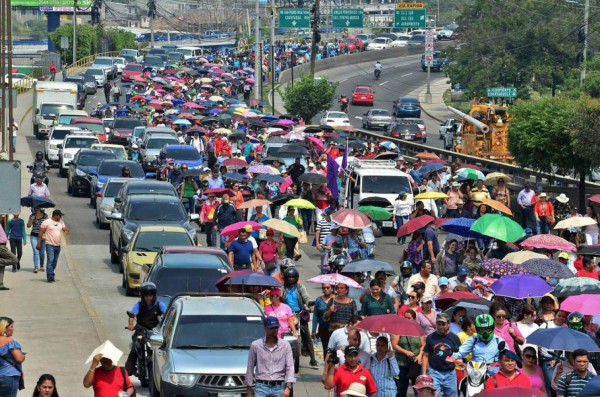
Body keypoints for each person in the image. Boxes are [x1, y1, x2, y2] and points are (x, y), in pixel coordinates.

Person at [246, 316, 295, 397]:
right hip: (261, 387)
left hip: (279, 387)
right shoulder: (256, 345)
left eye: (276, 327)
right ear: (265, 328)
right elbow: (250, 368)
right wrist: (249, 391)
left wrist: (288, 388)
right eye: (272, 328)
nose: (275, 330)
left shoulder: (285, 345)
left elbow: (290, 367)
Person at [124, 282, 166, 377]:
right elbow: (132, 314)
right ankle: (128, 371)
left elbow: (167, 314)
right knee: (135, 346)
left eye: (150, 295)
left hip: (155, 331)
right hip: (140, 330)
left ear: (154, 295)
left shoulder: (160, 304)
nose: (148, 298)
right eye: (146, 296)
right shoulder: (138, 305)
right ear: (143, 296)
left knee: (162, 348)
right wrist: (131, 324)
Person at [281, 267, 318, 369]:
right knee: (280, 334)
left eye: (293, 277)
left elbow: (306, 297)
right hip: (286, 315)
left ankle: (313, 360)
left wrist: (309, 304)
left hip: (299, 314)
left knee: (307, 335)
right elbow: (279, 297)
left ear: (296, 278)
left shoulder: (300, 287)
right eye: (289, 277)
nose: (291, 279)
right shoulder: (282, 288)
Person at [421, 313, 461, 397]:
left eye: (443, 324)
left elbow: (460, 355)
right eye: (439, 324)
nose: (441, 327)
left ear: (448, 323)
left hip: (450, 373)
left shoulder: (455, 338)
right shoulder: (430, 337)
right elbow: (425, 355)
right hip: (434, 372)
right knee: (433, 395)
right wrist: (424, 373)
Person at [392, 310, 425, 397]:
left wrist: (420, 355)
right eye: (405, 318)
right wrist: (405, 352)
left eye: (409, 318)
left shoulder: (418, 329)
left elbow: (423, 345)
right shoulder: (399, 329)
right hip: (401, 363)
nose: (406, 319)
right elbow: (394, 345)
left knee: (417, 389)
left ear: (414, 319)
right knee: (401, 388)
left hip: (415, 362)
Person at [37, 209, 69, 283]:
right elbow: (41, 233)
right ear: (55, 215)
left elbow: (65, 228)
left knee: (55, 261)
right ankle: (50, 275)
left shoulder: (61, 222)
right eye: (60, 216)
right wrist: (39, 243)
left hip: (58, 245)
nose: (61, 217)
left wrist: (66, 230)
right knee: (50, 260)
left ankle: (51, 273)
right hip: (49, 245)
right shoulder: (46, 222)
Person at [0, 317, 26, 397]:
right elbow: (19, 358)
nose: (13, 329)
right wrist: (23, 355)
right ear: (4, 329)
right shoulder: (10, 341)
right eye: (11, 327)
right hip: (9, 375)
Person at [312, 283, 334, 352]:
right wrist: (313, 330)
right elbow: (315, 315)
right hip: (323, 328)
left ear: (332, 289)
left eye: (328, 287)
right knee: (326, 349)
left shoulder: (336, 299)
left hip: (334, 328)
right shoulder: (318, 300)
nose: (325, 289)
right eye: (324, 288)